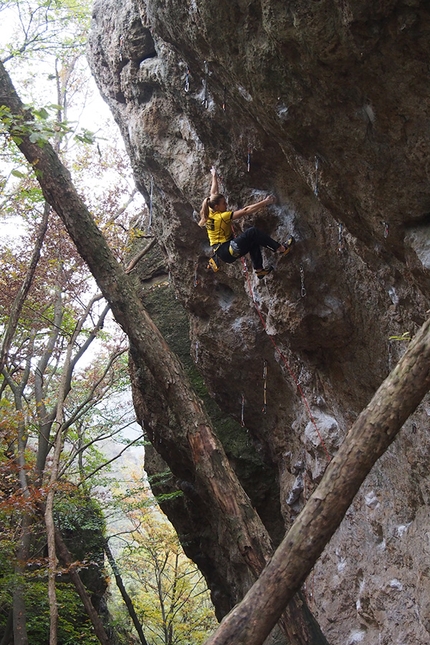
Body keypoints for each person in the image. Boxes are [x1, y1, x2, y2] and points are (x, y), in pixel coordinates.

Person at [198, 167, 294, 279]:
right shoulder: (221, 216)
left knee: (252, 241)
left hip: (223, 252)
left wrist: (214, 176)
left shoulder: (210, 211)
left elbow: (213, 192)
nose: (226, 205)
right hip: (227, 249)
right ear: (217, 207)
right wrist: (265, 202)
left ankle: (259, 270)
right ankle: (281, 249)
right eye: (224, 203)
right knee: (252, 232)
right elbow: (245, 211)